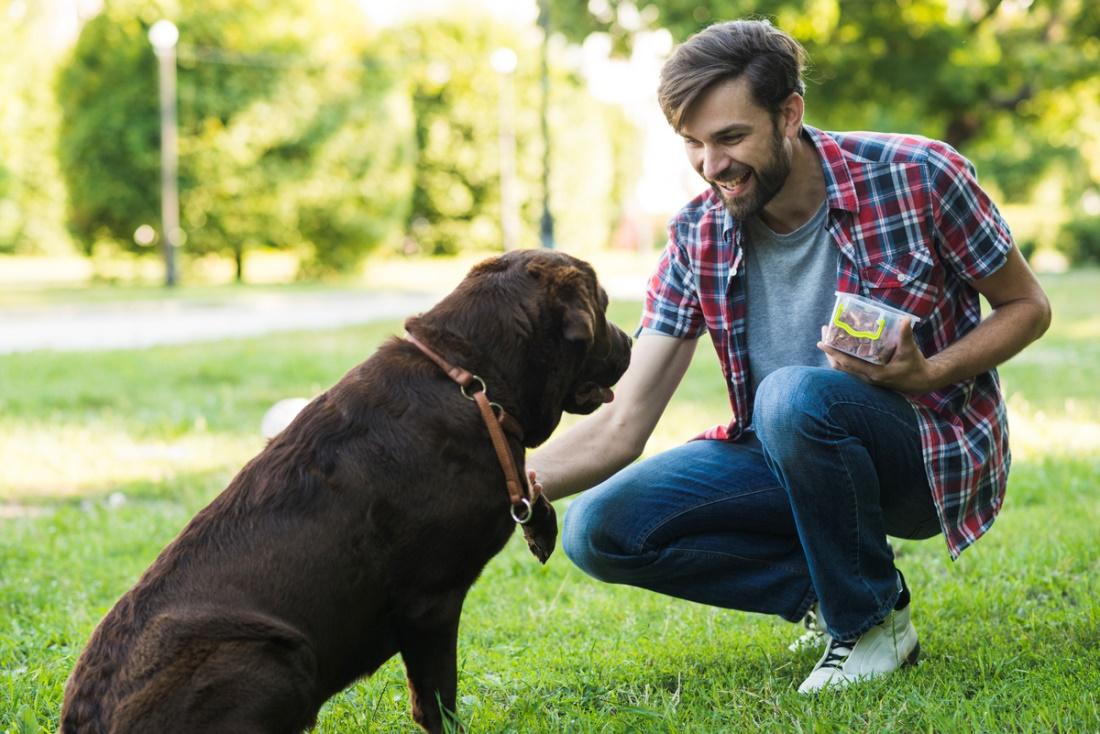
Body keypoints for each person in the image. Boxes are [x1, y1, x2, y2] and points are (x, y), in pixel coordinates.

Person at [527, 18, 1051, 694]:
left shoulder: (919, 174)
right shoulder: (697, 234)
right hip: (786, 451)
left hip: (921, 450)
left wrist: (931, 371)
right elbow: (625, 423)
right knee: (599, 529)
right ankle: (842, 593)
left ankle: (865, 625)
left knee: (792, 396)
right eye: (693, 143)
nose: (711, 166)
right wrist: (502, 485)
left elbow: (1028, 306)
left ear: (789, 114)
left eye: (731, 138)